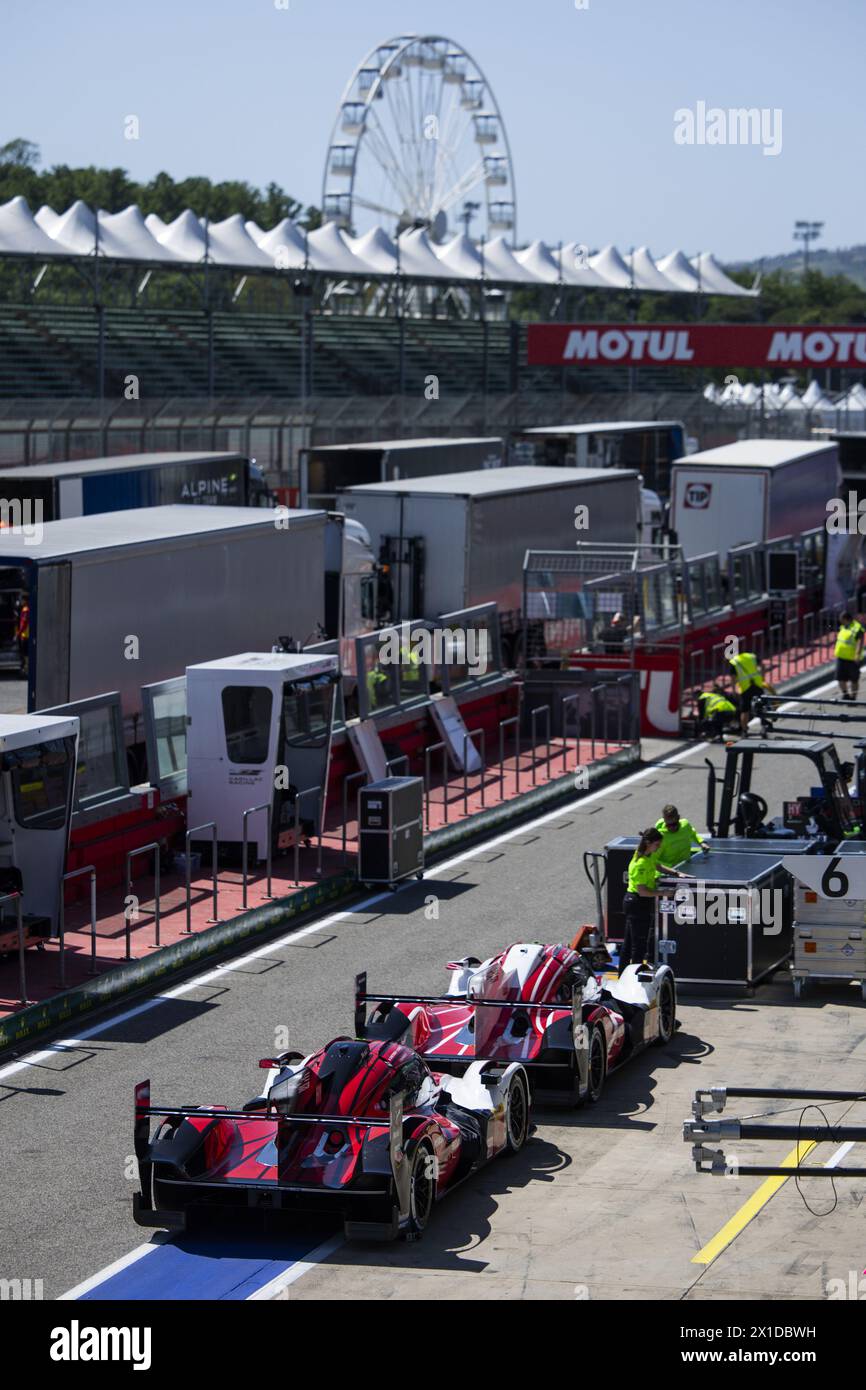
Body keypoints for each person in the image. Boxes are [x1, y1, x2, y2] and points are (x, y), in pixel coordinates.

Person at [620, 827, 689, 974]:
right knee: (638, 945)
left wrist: (676, 873)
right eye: (657, 845)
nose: (658, 848)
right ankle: (634, 978)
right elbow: (642, 891)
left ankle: (622, 974)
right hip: (636, 902)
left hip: (639, 902)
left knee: (629, 942)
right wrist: (665, 892)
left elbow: (657, 865)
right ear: (648, 843)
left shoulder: (649, 855)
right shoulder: (639, 864)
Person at [727, 649, 776, 732]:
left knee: (745, 710)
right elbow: (763, 666)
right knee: (761, 705)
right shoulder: (751, 656)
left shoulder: (733, 662)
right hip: (757, 684)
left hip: (745, 688)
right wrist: (762, 678)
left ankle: (744, 729)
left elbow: (732, 678)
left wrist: (734, 691)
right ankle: (764, 724)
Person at [834, 610, 864, 701]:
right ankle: (845, 694)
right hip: (841, 658)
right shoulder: (843, 627)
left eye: (841, 619)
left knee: (854, 679)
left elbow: (860, 642)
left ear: (846, 619)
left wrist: (857, 655)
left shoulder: (857, 628)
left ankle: (853, 697)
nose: (840, 621)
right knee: (840, 678)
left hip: (852, 659)